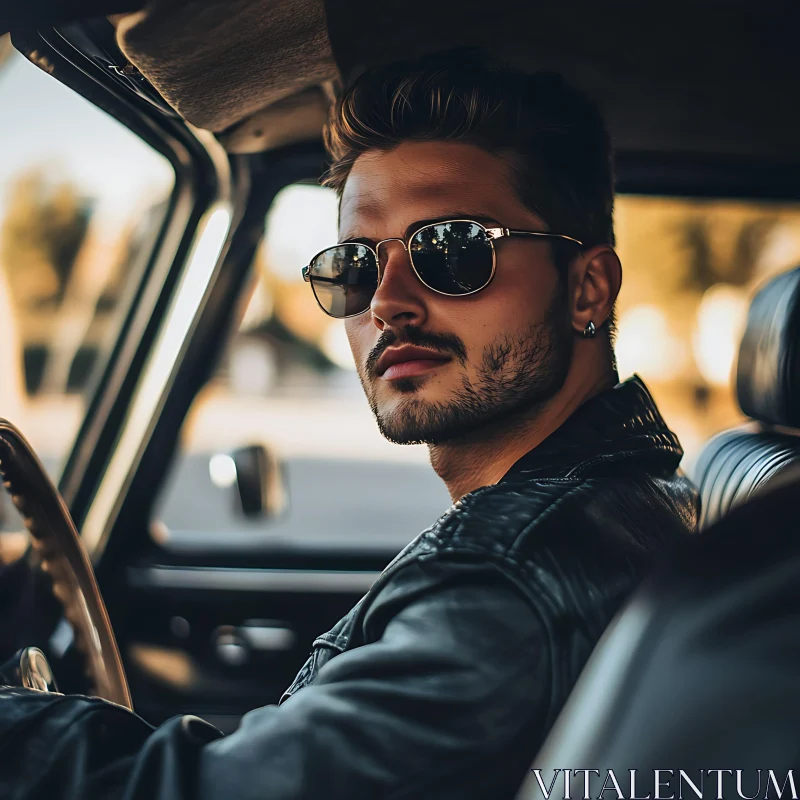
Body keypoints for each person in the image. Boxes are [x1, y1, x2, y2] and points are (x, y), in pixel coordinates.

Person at [0, 49, 698, 799]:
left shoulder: (504, 581)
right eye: (354, 266)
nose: (386, 302)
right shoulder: (621, 498)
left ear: (588, 288)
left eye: (452, 249)